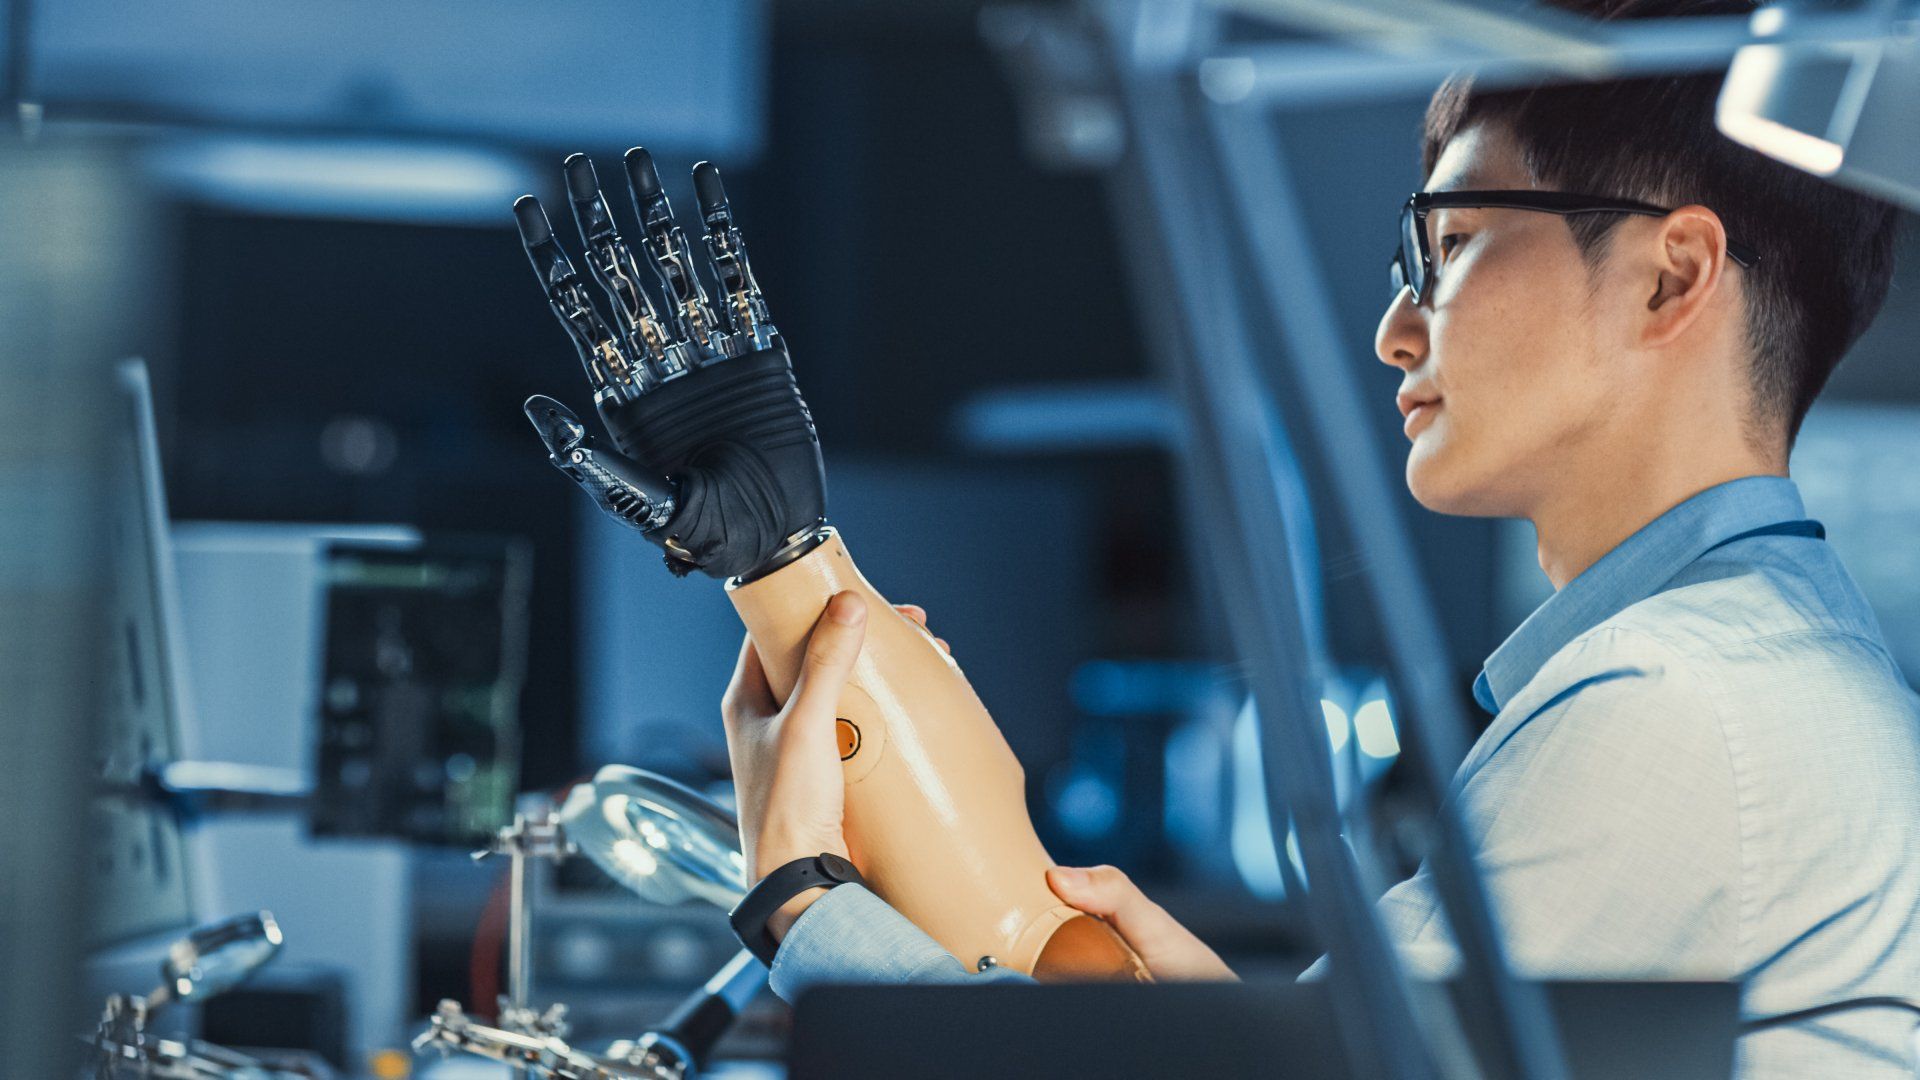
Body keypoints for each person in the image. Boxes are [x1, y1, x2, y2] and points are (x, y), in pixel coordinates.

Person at [718, 0, 1919, 1073]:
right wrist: (1234, 1023)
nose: (1398, 329)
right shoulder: (1744, 664)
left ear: (1671, 277)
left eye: (1449, 249)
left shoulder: (1680, 705)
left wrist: (802, 906)